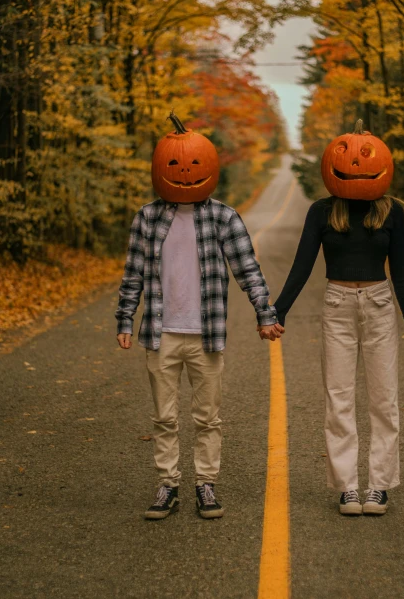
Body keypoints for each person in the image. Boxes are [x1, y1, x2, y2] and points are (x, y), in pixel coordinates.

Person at [116, 112, 281, 521]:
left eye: (193, 165)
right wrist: (124, 318)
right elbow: (133, 272)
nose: (184, 171)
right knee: (164, 416)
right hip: (161, 331)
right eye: (174, 165)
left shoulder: (223, 217)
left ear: (209, 168)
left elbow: (247, 269)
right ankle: (167, 485)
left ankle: (205, 484)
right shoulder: (147, 217)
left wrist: (265, 312)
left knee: (208, 417)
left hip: (206, 333)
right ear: (161, 168)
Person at [266, 121, 404, 516]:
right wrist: (276, 311)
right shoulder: (322, 212)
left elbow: (401, 270)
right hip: (337, 306)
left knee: (384, 399)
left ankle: (380, 486)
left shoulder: (392, 211)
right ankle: (348, 487)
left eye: (365, 158)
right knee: (338, 399)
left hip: (379, 305)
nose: (355, 164)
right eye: (347, 157)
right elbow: (302, 265)